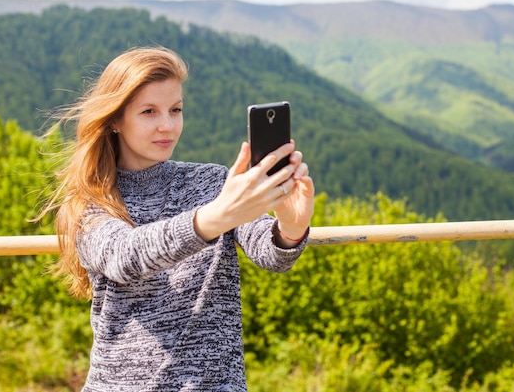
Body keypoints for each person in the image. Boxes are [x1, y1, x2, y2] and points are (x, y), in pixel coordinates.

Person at [40, 46, 315, 391]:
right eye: (149, 112)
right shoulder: (91, 202)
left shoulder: (212, 182)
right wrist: (214, 218)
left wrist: (292, 225)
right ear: (114, 119)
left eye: (176, 110)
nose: (167, 125)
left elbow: (270, 255)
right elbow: (126, 257)